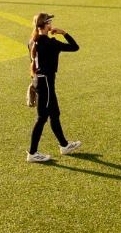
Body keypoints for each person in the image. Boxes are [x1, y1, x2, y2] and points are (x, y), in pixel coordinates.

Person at [25, 12, 82, 163]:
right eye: (49, 22)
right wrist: (64, 33)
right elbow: (75, 47)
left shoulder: (32, 41)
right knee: (42, 118)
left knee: (54, 113)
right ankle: (32, 153)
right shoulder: (51, 43)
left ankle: (64, 145)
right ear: (45, 25)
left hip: (38, 81)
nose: (51, 24)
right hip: (46, 84)